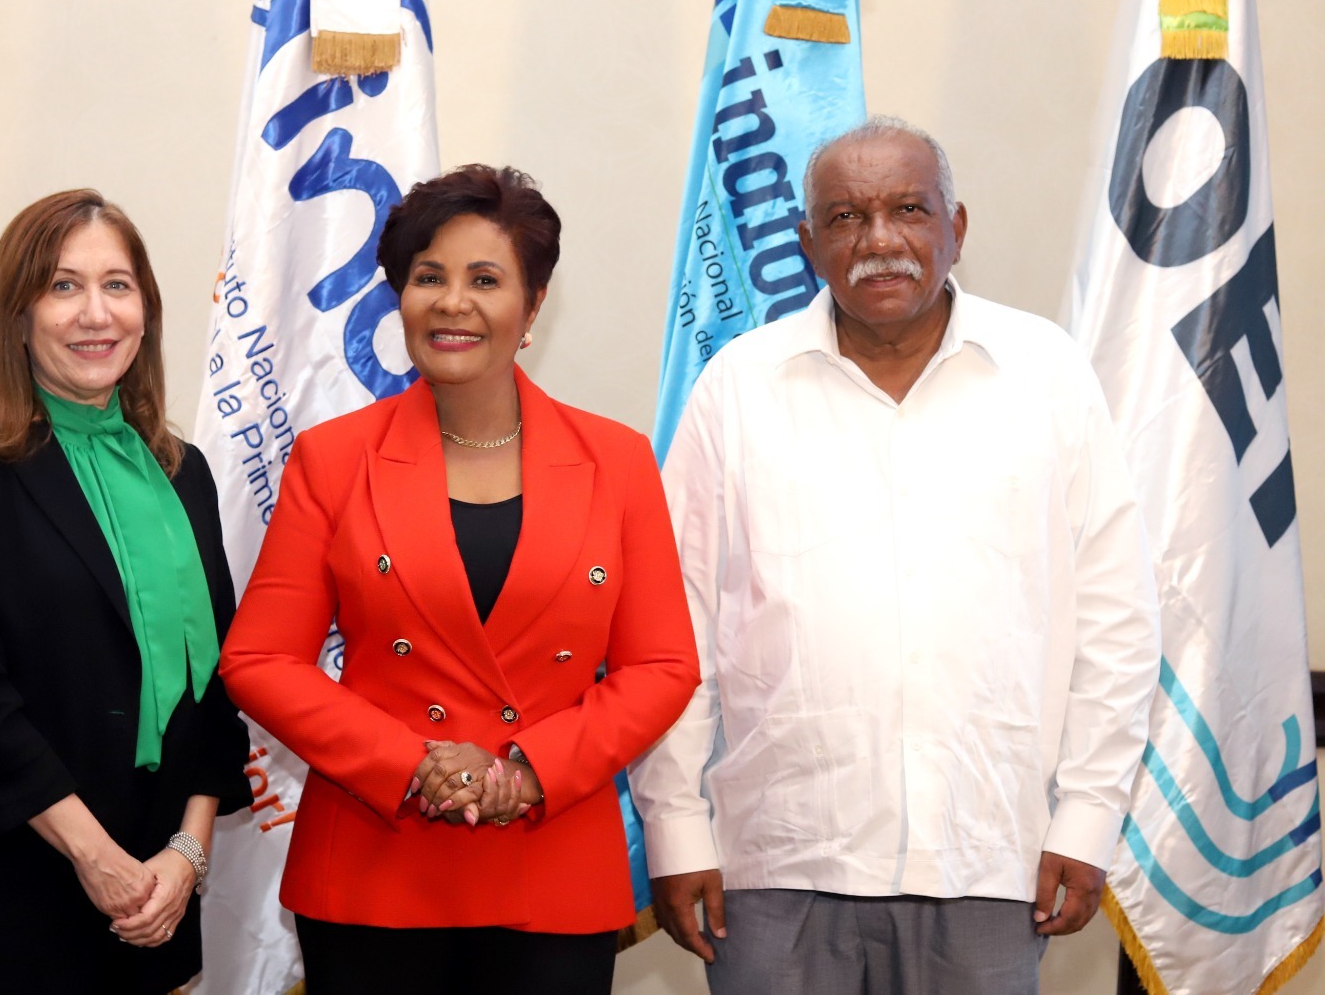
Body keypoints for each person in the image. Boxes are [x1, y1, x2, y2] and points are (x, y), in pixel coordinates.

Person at [629, 117, 1162, 994]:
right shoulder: (738, 388)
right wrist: (676, 829)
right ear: (807, 243)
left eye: (909, 209)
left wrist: (1088, 817)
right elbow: (674, 626)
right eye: (845, 217)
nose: (879, 240)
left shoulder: (1047, 376)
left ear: (957, 228)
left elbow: (1118, 620)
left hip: (990, 859)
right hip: (776, 861)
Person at [218, 164, 701, 995]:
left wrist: (531, 768)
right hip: (375, 868)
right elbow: (259, 660)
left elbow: (662, 665)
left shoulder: (616, 462)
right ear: (398, 297)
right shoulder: (334, 460)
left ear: (533, 306)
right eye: (428, 277)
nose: (452, 303)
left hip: (551, 867)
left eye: (485, 279)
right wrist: (411, 764)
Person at [0, 190, 251, 993]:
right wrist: (98, 860)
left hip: (154, 900)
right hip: (3, 907)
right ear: (18, 317)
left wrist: (186, 856)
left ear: (146, 312)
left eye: (117, 285)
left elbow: (218, 687)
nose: (96, 313)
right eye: (62, 286)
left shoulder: (183, 473)